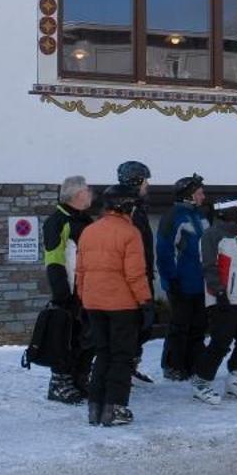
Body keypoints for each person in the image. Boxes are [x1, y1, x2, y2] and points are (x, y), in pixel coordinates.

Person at [75, 183, 151, 428]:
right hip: (122, 305)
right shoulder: (130, 233)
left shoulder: (89, 231)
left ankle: (95, 408)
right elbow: (135, 274)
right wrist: (146, 302)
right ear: (126, 206)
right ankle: (115, 407)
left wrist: (83, 300)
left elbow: (80, 272)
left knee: (103, 354)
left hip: (94, 304)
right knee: (121, 356)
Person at [192, 194, 237, 405]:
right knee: (221, 342)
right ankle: (202, 382)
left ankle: (236, 379)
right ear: (229, 213)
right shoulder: (212, 236)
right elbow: (209, 266)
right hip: (224, 299)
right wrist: (219, 291)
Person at [41, 175, 94, 405]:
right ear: (78, 195)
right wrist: (61, 293)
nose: (91, 194)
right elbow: (54, 258)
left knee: (87, 337)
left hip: (90, 290)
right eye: (88, 190)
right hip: (70, 292)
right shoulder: (57, 221)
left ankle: (80, 378)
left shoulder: (86, 220)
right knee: (66, 337)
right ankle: (60, 382)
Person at [157, 175, 207, 381]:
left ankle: (193, 364)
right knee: (180, 326)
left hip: (200, 282)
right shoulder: (173, 216)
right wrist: (170, 278)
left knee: (198, 326)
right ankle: (173, 365)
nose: (204, 196)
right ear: (189, 195)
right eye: (200, 192)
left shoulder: (200, 216)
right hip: (180, 282)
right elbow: (164, 250)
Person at [114, 160, 158, 383]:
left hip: (144, 276)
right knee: (134, 328)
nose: (148, 184)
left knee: (143, 327)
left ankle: (130, 365)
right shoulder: (128, 211)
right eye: (145, 180)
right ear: (135, 181)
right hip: (133, 281)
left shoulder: (139, 209)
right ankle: (121, 370)